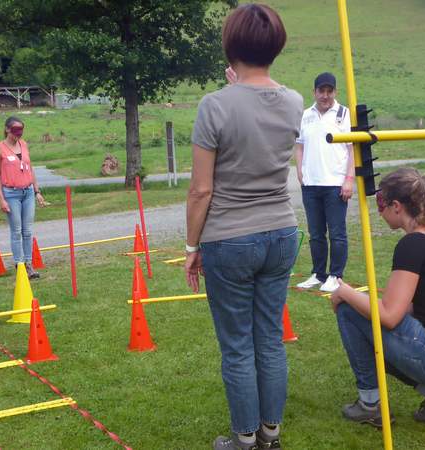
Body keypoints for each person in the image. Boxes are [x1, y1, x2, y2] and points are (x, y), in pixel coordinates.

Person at [184, 4, 303, 449]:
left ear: (230, 47)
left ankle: (245, 439)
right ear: (276, 45)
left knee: (238, 345)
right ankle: (270, 434)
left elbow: (200, 190)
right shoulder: (294, 101)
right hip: (281, 232)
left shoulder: (214, 105)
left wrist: (191, 244)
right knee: (269, 339)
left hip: (230, 238)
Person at [330, 167, 425, 427]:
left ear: (396, 206)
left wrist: (344, 291)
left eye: (382, 205)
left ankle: (369, 404)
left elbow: (389, 316)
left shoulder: (413, 244)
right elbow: (412, 307)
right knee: (364, 313)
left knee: (349, 312)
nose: (379, 212)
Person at [294, 72, 355, 293]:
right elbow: (299, 145)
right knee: (316, 233)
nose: (325, 96)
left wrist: (349, 179)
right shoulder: (305, 115)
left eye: (329, 91)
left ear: (335, 92)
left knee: (337, 232)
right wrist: (300, 170)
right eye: (322, 91)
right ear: (315, 92)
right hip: (311, 184)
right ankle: (318, 274)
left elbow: (352, 148)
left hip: (335, 183)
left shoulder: (344, 114)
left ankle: (336, 275)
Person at [0, 116, 49, 279]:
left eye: (21, 130)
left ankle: (29, 264)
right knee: (16, 230)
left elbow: (30, 168)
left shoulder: (23, 145)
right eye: (15, 130)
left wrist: (37, 191)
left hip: (28, 192)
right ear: (7, 129)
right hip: (11, 193)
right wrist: (1, 199)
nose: (19, 134)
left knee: (27, 230)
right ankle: (20, 264)